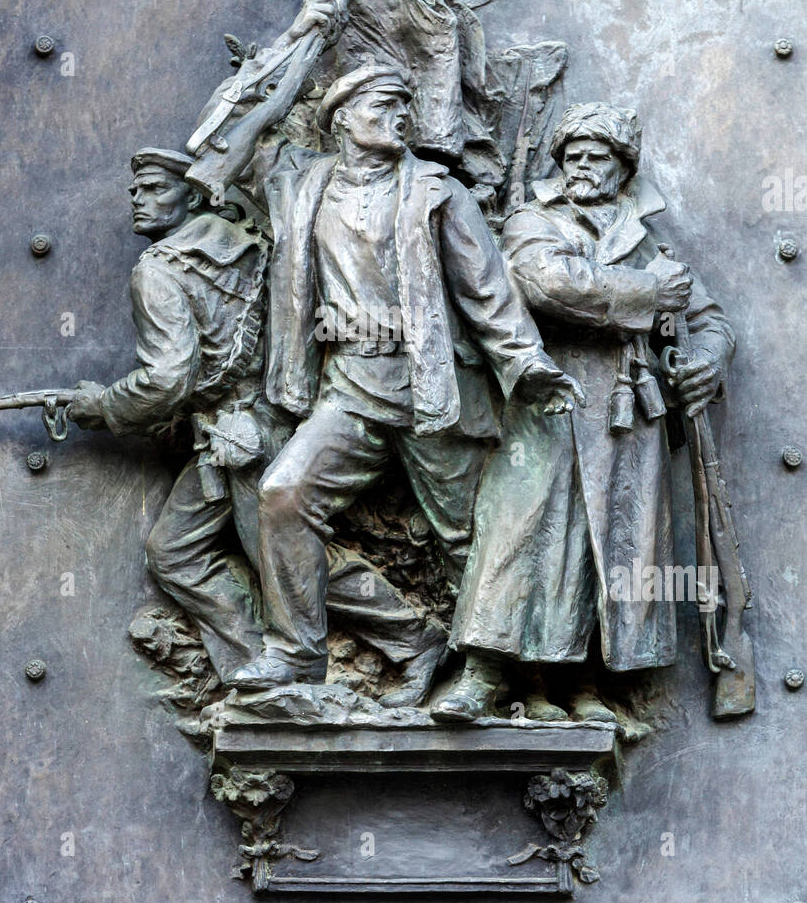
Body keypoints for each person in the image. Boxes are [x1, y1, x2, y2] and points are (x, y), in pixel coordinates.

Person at [224, 64, 584, 692]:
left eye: (406, 105)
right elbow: (226, 139)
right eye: (385, 104)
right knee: (284, 495)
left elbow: (488, 293)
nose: (401, 116)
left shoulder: (438, 192)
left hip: (432, 387)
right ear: (341, 116)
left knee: (465, 536)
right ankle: (296, 653)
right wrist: (309, 32)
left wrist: (526, 363)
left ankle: (497, 673)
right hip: (348, 387)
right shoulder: (299, 185)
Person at [69, 148, 443, 702]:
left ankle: (412, 639)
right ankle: (253, 659)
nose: (137, 199)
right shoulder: (251, 244)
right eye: (135, 190)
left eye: (152, 188)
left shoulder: (158, 271)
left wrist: (104, 406)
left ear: (195, 195)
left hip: (239, 437)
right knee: (175, 551)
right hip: (260, 420)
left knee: (287, 554)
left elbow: (168, 378)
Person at [435, 103, 735, 721]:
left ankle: (582, 684)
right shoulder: (533, 219)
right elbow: (546, 283)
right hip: (553, 400)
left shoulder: (649, 237)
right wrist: (650, 294)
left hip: (630, 418)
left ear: (623, 169)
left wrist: (707, 358)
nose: (581, 166)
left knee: (616, 549)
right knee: (525, 534)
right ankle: (484, 673)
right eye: (572, 155)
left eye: (597, 156)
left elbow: (707, 319)